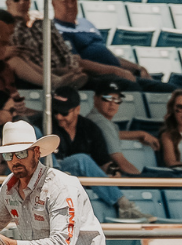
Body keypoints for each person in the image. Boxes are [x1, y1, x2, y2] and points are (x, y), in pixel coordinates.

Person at [49, 86, 156, 221]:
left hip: (78, 180)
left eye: (64, 113)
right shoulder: (45, 122)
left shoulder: (89, 127)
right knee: (82, 159)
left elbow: (104, 161)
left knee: (84, 161)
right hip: (53, 175)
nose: (58, 116)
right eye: (55, 112)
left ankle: (125, 207)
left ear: (77, 110)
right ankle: (124, 205)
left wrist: (114, 172)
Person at [50, 0, 174, 93]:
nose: (71, 5)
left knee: (170, 90)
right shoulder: (57, 30)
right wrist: (115, 70)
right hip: (98, 77)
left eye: (73, 0)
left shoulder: (86, 23)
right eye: (65, 1)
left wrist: (137, 68)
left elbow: (108, 55)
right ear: (54, 3)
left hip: (119, 73)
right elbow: (77, 62)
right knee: (132, 90)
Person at [3, 0, 87, 90]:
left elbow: (60, 46)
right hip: (33, 72)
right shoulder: (4, 24)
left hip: (56, 67)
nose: (22, 2)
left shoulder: (41, 20)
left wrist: (70, 66)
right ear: (8, 2)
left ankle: (66, 75)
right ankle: (56, 81)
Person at [87, 79, 161, 176]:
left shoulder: (94, 119)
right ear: (95, 99)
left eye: (116, 99)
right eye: (107, 98)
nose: (112, 103)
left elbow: (110, 135)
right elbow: (120, 161)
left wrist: (140, 134)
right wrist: (142, 180)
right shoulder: (101, 122)